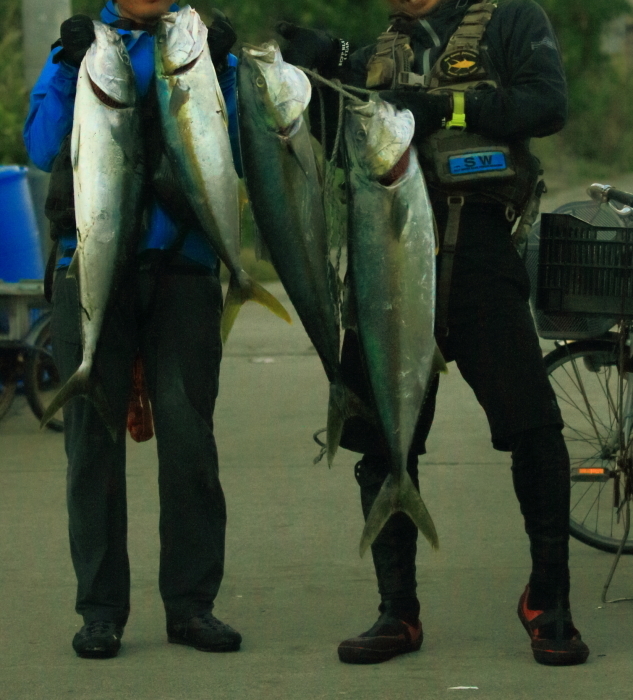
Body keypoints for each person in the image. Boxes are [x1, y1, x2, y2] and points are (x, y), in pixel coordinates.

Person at [277, 0, 590, 667]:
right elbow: (333, 145)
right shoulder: (378, 52)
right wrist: (311, 73)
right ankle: (397, 611)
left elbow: (545, 105)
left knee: (533, 426)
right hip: (382, 250)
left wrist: (447, 112)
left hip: (475, 245)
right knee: (379, 435)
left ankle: (549, 600)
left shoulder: (510, 21)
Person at [24, 0, 241, 659]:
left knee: (188, 442)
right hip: (88, 269)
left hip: (184, 267)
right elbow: (40, 147)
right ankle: (100, 611)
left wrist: (226, 65)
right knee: (91, 448)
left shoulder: (204, 40)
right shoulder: (84, 45)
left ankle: (191, 604)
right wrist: (65, 67)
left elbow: (237, 139)